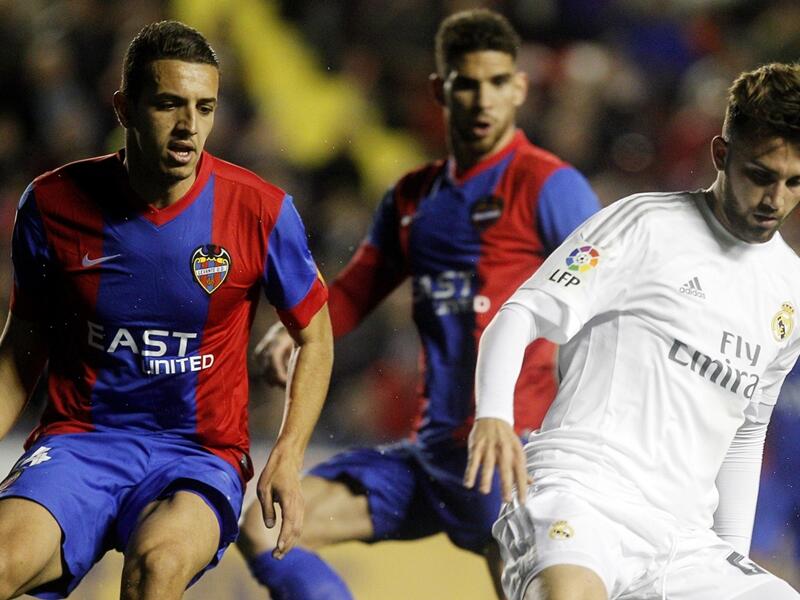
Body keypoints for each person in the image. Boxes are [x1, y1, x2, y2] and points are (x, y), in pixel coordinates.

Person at [236, 8, 599, 600]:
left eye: (497, 83)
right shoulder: (412, 198)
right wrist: (293, 328)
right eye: (467, 84)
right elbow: (354, 291)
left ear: (519, 88)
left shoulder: (549, 187)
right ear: (440, 90)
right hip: (433, 459)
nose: (483, 100)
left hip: (514, 460)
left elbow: (610, 308)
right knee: (267, 526)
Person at [0, 20, 333, 600]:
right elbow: (20, 350)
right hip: (81, 442)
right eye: (168, 104)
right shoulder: (52, 204)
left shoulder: (259, 210)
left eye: (205, 108)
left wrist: (288, 453)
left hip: (198, 455)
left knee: (156, 569)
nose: (189, 127)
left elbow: (316, 336)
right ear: (124, 108)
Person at [466, 61, 800, 600]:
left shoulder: (790, 289)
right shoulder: (644, 225)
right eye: (761, 175)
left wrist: (730, 554)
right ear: (721, 154)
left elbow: (746, 430)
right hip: (581, 490)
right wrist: (493, 416)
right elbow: (521, 313)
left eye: (794, 183)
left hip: (683, 537)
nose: (775, 200)